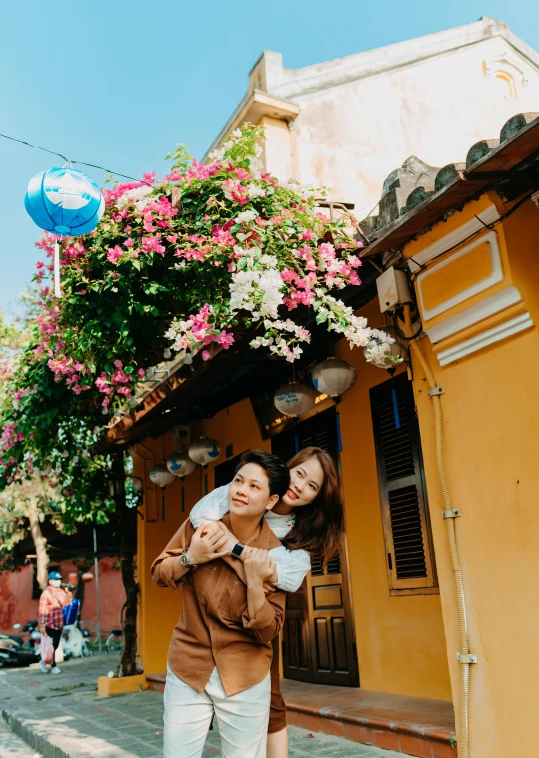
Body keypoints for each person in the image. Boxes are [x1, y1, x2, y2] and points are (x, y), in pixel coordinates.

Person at [189, 446, 345, 758]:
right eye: (299, 473)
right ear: (289, 467)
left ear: (316, 498)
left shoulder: (301, 533)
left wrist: (230, 546)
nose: (300, 485)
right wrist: (245, 560)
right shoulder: (247, 489)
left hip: (256, 621)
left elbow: (287, 577)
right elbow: (199, 516)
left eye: (311, 486)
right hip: (211, 614)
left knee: (271, 699)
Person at [152, 450, 291, 758]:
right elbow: (159, 573)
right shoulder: (201, 526)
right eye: (238, 481)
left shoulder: (276, 556)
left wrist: (255, 583)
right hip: (189, 664)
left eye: (255, 486)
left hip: (245, 674)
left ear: (270, 501)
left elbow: (268, 631)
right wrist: (191, 557)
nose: (241, 490)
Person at [38, 570, 73, 674]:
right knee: (51, 645)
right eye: (56, 580)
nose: (58, 582)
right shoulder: (46, 593)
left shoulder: (61, 592)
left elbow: (66, 604)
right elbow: (42, 610)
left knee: (56, 644)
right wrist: (42, 625)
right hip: (49, 623)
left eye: (59, 580)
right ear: (50, 581)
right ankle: (53, 666)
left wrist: (68, 593)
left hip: (59, 624)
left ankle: (44, 661)